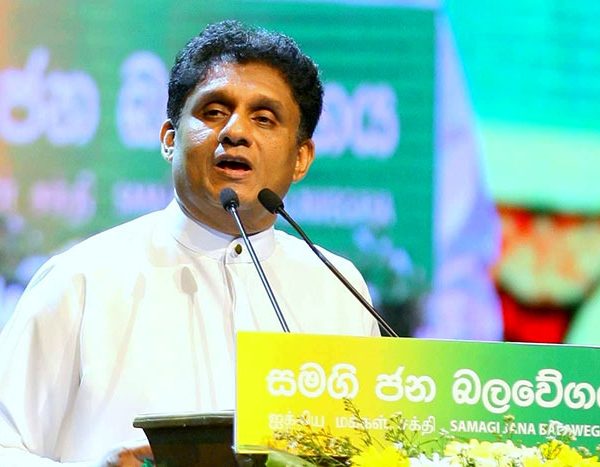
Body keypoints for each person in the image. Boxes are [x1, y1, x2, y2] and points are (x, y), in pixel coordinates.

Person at [0, 21, 379, 466]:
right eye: (214, 112)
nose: (236, 132)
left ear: (301, 158)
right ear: (169, 138)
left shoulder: (338, 288)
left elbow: (373, 447)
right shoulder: (81, 279)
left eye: (264, 118)